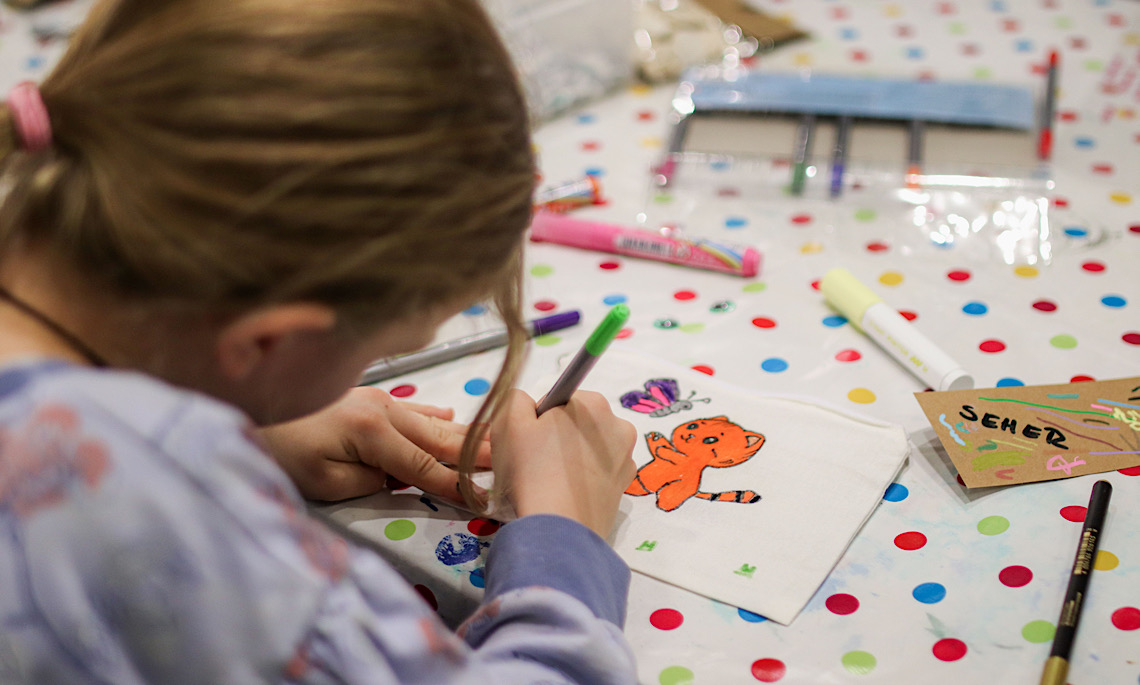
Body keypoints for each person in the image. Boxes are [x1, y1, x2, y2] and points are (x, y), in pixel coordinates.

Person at [0, 0, 640, 683]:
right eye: (381, 349)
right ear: (267, 340)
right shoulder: (171, 506)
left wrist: (252, 410)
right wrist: (565, 538)